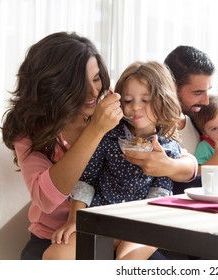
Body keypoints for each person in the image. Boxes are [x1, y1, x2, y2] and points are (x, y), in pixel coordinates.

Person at [0, 32, 195, 260]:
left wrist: (169, 166)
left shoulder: (121, 113)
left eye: (96, 79)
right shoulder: (30, 131)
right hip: (57, 235)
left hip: (123, 229)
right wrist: (96, 131)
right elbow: (46, 198)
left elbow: (185, 161)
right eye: (80, 84)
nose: (94, 93)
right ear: (54, 86)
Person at [43, 61, 183, 260]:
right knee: (55, 257)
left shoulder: (169, 148)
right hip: (101, 219)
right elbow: (86, 180)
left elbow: (159, 193)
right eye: (127, 100)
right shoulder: (108, 136)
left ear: (163, 99)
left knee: (129, 261)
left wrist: (143, 227)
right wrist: (74, 221)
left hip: (143, 222)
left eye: (146, 100)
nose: (136, 107)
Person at [124, 46, 218, 190]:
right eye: (198, 92)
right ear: (171, 87)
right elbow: (168, 184)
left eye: (207, 91)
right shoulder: (145, 126)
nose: (206, 101)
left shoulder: (199, 121)